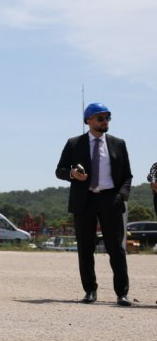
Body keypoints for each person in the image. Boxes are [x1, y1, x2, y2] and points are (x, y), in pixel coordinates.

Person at [55, 102, 133, 306]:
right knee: (85, 248)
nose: (105, 121)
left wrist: (121, 196)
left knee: (116, 249)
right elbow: (60, 170)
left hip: (110, 199)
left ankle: (122, 293)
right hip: (85, 200)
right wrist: (72, 173)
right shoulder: (74, 143)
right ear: (88, 120)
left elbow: (127, 176)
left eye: (107, 117)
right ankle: (90, 290)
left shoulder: (118, 144)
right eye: (100, 118)